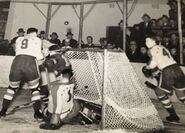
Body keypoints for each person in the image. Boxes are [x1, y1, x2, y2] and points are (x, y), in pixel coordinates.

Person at [0, 28, 43, 120]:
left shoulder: (19, 39)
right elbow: (39, 57)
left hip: (16, 62)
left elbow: (19, 50)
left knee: (11, 88)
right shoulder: (37, 39)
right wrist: (45, 55)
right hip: (29, 62)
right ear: (35, 33)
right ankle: (37, 113)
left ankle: (2, 111)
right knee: (35, 89)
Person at [144, 35, 185, 122]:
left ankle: (173, 115)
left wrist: (147, 67)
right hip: (177, 69)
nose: (146, 43)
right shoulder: (163, 47)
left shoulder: (151, 49)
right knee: (181, 96)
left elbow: (153, 64)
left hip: (168, 71)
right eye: (145, 41)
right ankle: (173, 115)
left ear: (153, 41)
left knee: (159, 92)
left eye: (148, 41)